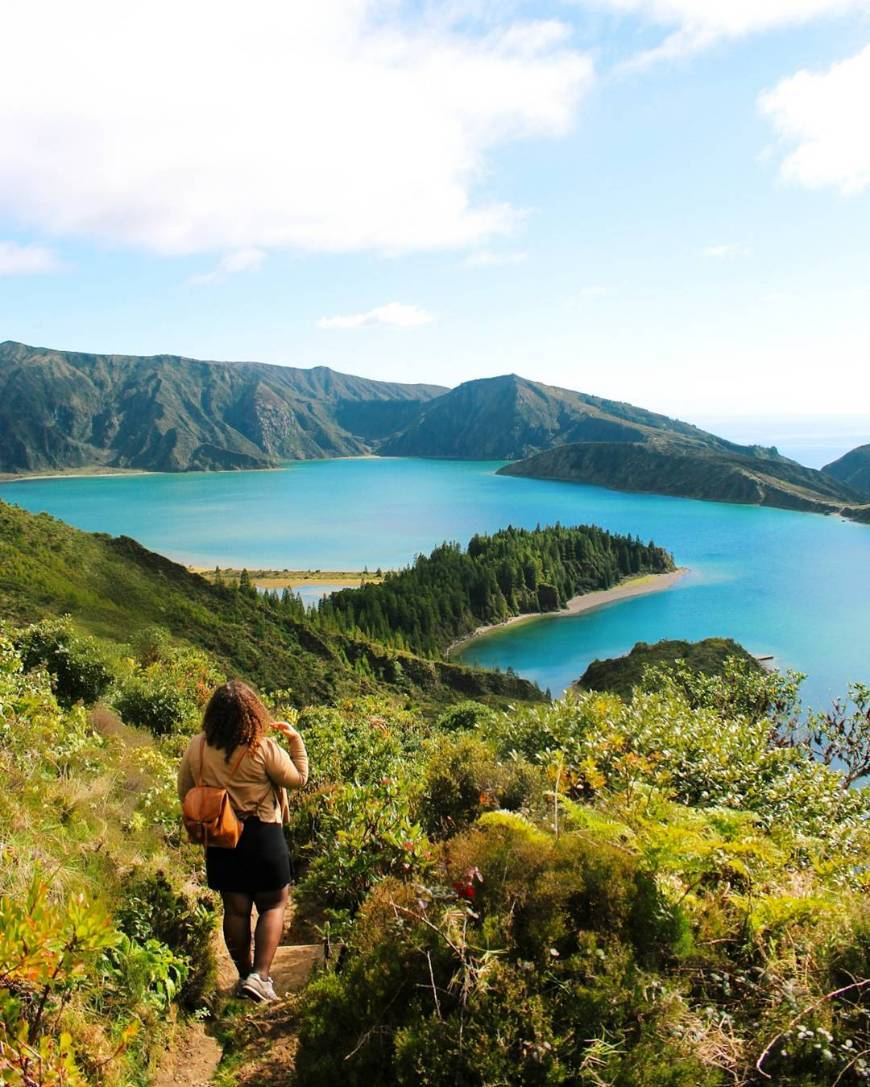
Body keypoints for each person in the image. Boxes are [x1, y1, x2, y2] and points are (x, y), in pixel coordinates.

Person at [177, 680, 309, 1003]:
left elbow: (185, 792)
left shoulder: (197, 747)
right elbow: (298, 779)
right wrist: (296, 740)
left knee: (235, 911)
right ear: (253, 713)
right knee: (273, 904)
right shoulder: (263, 748)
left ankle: (245, 975)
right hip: (263, 836)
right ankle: (260, 977)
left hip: (222, 841)